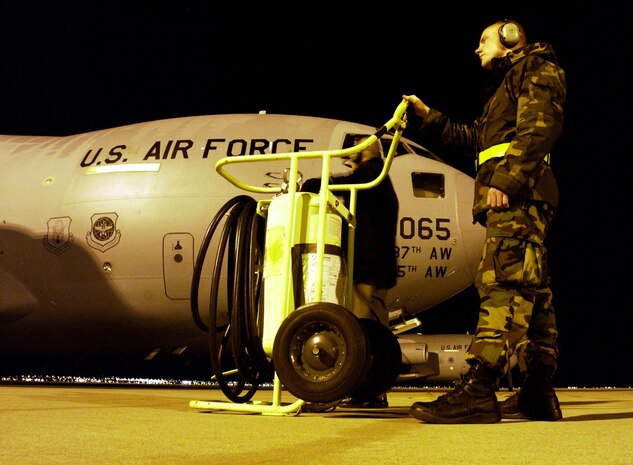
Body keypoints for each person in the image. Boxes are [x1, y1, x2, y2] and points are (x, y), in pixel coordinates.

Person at [402, 18, 566, 423]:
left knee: (502, 282)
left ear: (510, 39)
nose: (477, 48)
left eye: (484, 40)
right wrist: (428, 116)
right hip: (524, 195)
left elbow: (540, 129)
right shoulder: (505, 90)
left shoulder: (537, 69)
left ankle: (478, 388)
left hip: (519, 194)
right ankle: (538, 392)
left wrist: (507, 181)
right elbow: (474, 138)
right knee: (534, 291)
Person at [301, 136, 399, 408]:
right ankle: (371, 391)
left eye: (355, 149)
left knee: (359, 332)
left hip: (367, 268)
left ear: (364, 151)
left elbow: (346, 183)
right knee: (373, 331)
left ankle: (357, 388)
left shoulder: (371, 174)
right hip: (377, 269)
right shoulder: (379, 177)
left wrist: (315, 183)